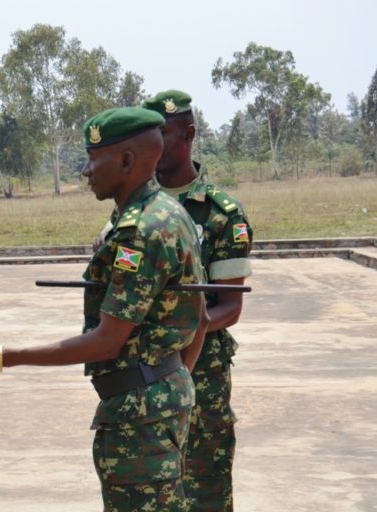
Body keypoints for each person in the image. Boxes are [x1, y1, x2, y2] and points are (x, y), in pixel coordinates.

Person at [0, 107, 205, 511]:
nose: (85, 171)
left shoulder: (142, 231)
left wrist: (1, 357)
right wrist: (170, 378)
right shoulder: (168, 214)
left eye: (93, 158)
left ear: (127, 161)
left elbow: (106, 342)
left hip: (141, 416)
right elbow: (198, 318)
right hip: (158, 401)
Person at [142, 90, 253, 511]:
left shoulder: (222, 214)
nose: (154, 144)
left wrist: (184, 327)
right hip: (143, 373)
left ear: (188, 134)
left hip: (201, 374)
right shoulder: (134, 210)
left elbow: (231, 307)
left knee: (205, 485)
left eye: (163, 133)